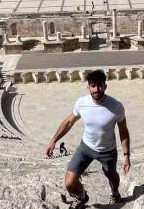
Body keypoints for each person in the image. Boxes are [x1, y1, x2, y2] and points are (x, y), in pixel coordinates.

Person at [45, 70, 131, 208]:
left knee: (111, 175)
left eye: (100, 86)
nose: (96, 89)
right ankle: (82, 197)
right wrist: (53, 140)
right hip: (86, 147)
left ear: (105, 86)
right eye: (93, 86)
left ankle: (115, 193)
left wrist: (126, 156)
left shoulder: (116, 106)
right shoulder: (82, 102)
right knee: (69, 183)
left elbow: (123, 131)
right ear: (88, 87)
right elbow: (68, 122)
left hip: (107, 151)